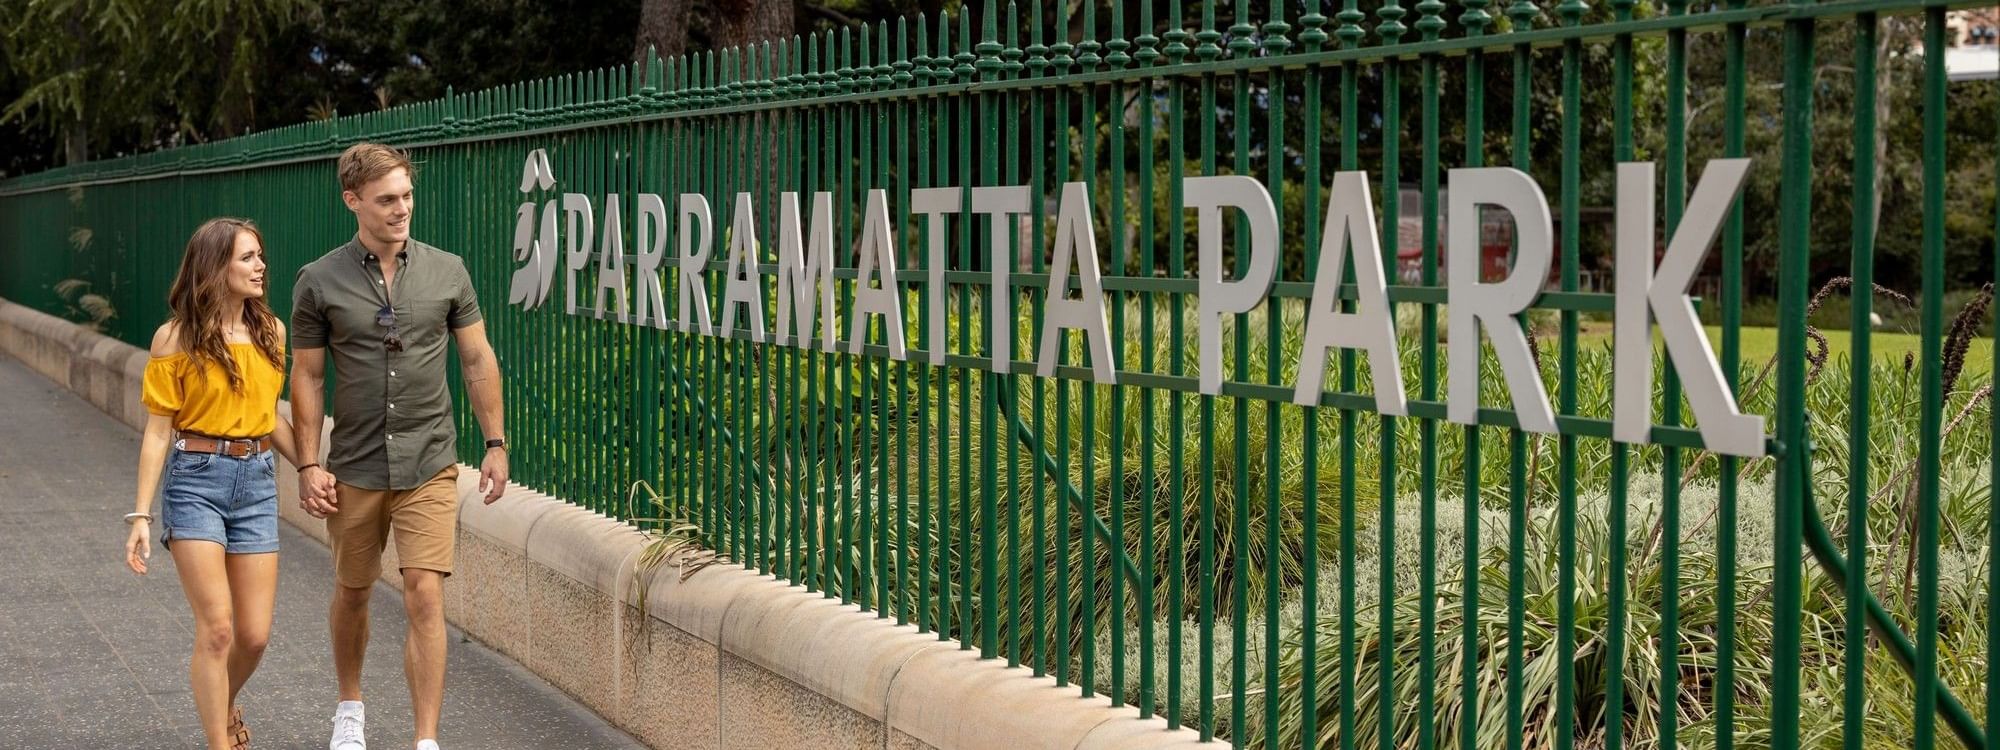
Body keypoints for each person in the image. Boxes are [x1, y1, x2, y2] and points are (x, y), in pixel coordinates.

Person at [290, 142, 509, 750]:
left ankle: (425, 739)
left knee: (425, 593)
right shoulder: (318, 280)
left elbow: (476, 358)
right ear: (352, 200)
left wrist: (495, 442)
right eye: (387, 199)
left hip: (428, 460)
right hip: (355, 465)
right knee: (354, 590)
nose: (401, 208)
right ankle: (350, 707)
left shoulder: (448, 271)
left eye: (407, 195)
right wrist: (307, 462)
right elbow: (306, 375)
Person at [125, 217, 305, 750]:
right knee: (219, 628)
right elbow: (158, 432)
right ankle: (217, 742)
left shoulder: (271, 331)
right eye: (247, 257)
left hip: (257, 481)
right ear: (214, 267)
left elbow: (269, 415)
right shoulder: (174, 338)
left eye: (260, 255)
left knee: (254, 635)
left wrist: (311, 468)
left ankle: (222, 701)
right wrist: (141, 515)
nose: (261, 266)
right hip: (196, 481)